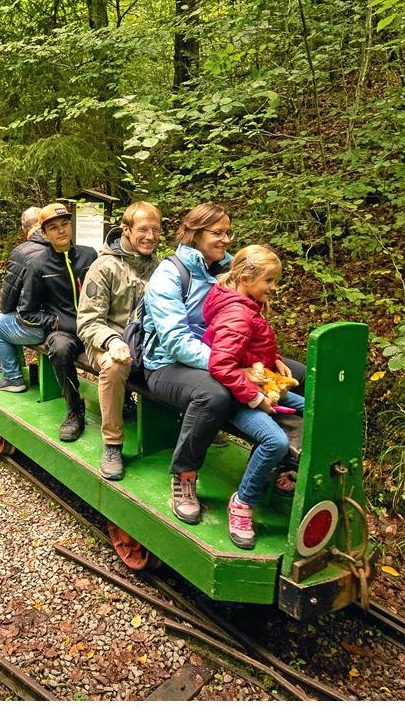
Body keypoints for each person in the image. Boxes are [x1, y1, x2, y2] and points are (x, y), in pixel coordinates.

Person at [203, 245, 304, 549]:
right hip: (236, 397)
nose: (274, 288)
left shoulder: (246, 302)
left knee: (314, 411)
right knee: (275, 441)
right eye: (269, 281)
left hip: (257, 386)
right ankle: (243, 501)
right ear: (246, 277)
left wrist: (274, 358)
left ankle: (281, 470)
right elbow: (221, 364)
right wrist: (255, 399)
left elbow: (250, 345)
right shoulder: (237, 313)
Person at [140, 203, 236, 525]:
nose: (225, 239)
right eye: (217, 233)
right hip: (165, 364)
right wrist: (228, 366)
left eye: (227, 232)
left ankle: (285, 465)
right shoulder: (170, 273)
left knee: (300, 375)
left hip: (218, 356)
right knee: (214, 395)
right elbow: (176, 341)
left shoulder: (229, 270)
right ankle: (184, 475)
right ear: (196, 234)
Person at [0, 203, 98, 442]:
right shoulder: (38, 265)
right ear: (44, 233)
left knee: (125, 342)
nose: (61, 231)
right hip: (63, 330)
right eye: (53, 227)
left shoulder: (90, 255)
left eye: (65, 224)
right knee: (58, 348)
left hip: (95, 324)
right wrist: (57, 322)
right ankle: (74, 410)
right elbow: (27, 312)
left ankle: (127, 403)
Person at [76, 201, 162, 480]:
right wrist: (112, 340)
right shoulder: (104, 267)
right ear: (126, 230)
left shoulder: (160, 268)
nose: (150, 236)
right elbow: (88, 321)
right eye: (143, 229)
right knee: (115, 366)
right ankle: (112, 443)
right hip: (105, 341)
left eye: (156, 230)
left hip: (144, 342)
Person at [0, 206, 43, 315]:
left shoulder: (21, 253)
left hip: (37, 318)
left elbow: (7, 301)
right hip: (64, 317)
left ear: (24, 229)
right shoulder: (61, 247)